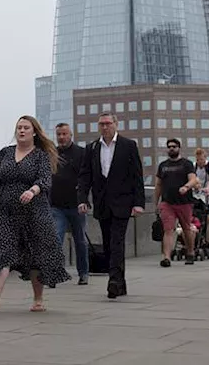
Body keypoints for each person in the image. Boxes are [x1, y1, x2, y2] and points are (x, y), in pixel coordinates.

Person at [0, 116, 69, 313]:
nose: (22, 131)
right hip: (6, 212)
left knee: (35, 255)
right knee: (1, 252)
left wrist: (32, 191)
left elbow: (44, 179)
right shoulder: (5, 153)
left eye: (26, 128)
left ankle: (38, 299)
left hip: (34, 213)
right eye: (19, 128)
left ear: (34, 132)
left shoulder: (40, 155)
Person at [77, 112, 145, 299]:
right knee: (108, 244)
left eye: (107, 123)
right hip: (102, 203)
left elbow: (137, 176)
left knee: (117, 241)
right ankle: (120, 283)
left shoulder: (128, 146)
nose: (104, 127)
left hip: (122, 202)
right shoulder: (92, 148)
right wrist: (82, 199)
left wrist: (139, 203)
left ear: (116, 124)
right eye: (101, 124)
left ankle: (113, 281)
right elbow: (85, 176)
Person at [50, 123, 89, 285]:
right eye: (59, 134)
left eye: (64, 134)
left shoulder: (81, 153)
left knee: (80, 240)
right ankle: (53, 274)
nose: (61, 137)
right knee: (55, 239)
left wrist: (84, 200)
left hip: (76, 205)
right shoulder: (51, 153)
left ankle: (83, 273)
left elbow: (86, 178)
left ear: (70, 135)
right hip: (56, 205)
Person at [155, 138, 200, 266]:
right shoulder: (163, 166)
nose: (171, 148)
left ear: (179, 148)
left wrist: (186, 187)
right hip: (167, 202)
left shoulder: (186, 164)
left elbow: (193, 179)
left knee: (186, 228)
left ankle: (190, 252)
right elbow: (158, 185)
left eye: (174, 146)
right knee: (168, 229)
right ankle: (166, 258)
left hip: (184, 202)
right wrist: (156, 202)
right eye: (169, 146)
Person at [194, 148, 209, 245]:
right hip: (199, 196)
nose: (200, 162)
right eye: (198, 160)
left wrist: (208, 188)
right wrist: (196, 185)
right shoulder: (194, 166)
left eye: (202, 160)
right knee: (199, 218)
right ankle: (203, 241)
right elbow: (193, 179)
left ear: (205, 158)